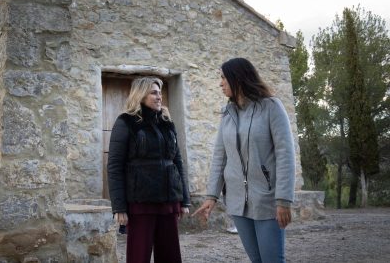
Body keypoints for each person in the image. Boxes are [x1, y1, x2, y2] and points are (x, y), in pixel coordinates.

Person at [193, 58, 295, 263]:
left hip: (267, 199)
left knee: (272, 260)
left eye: (223, 77)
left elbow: (285, 154)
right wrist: (211, 196)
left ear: (237, 78)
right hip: (238, 202)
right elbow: (219, 157)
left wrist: (283, 200)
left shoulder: (271, 107)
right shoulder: (227, 113)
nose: (220, 83)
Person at [107, 76, 191, 263]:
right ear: (141, 95)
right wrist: (119, 206)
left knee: (170, 256)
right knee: (139, 257)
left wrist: (184, 199)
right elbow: (114, 166)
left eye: (160, 92)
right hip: (141, 203)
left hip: (169, 201)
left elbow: (177, 161)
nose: (159, 96)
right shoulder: (125, 122)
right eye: (154, 92)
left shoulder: (167, 123)